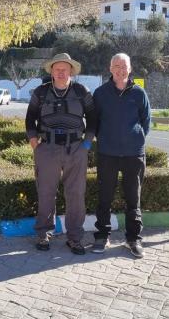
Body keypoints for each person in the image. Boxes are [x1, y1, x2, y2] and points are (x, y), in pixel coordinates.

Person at [25, 52, 97, 255]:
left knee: (76, 194)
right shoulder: (40, 92)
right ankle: (43, 234)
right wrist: (34, 142)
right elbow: (30, 118)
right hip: (47, 148)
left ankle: (74, 238)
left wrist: (86, 144)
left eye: (65, 69)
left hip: (76, 148)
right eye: (57, 69)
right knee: (46, 192)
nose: (61, 72)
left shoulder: (82, 91)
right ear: (52, 71)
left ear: (71, 71)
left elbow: (93, 119)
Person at [92, 53, 151, 258]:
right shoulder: (100, 93)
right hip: (107, 153)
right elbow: (94, 122)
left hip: (134, 154)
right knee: (105, 197)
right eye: (116, 65)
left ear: (130, 68)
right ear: (110, 69)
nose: (120, 69)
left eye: (123, 66)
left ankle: (133, 239)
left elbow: (146, 122)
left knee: (133, 199)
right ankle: (102, 236)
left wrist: (135, 139)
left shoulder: (139, 93)